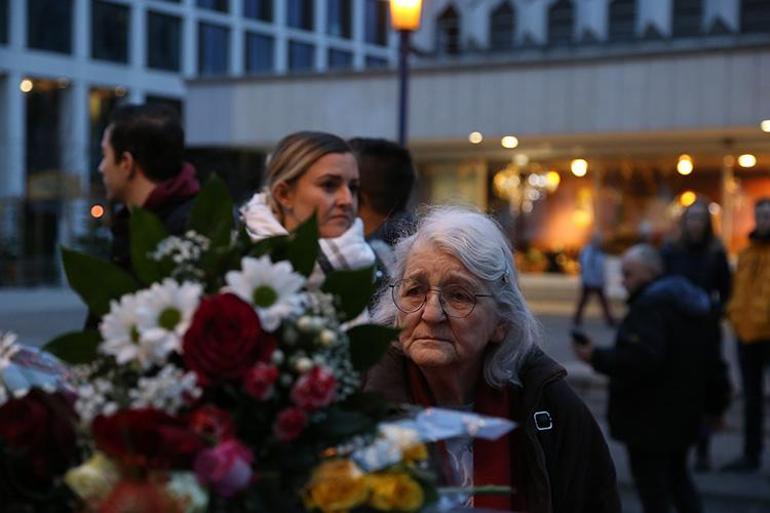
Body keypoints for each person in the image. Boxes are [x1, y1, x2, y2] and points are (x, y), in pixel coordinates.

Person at [365, 206, 620, 513]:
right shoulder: (358, 404)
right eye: (415, 291)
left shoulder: (550, 406)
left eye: (459, 295)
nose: (431, 314)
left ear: (502, 321)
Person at [574, 244, 730, 513]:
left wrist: (596, 357)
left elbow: (641, 358)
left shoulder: (650, 307)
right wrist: (715, 406)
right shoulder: (691, 305)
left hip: (649, 420)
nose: (623, 281)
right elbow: (713, 362)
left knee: (656, 492)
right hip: (681, 416)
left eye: (629, 274)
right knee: (678, 482)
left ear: (650, 273)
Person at [240, 131, 375, 287]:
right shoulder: (233, 264)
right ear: (284, 194)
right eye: (329, 185)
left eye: (353, 188)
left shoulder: (378, 265)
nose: (347, 200)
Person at [661, 200, 732, 472]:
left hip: (705, 332)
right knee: (676, 390)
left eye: (701, 218)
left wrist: (714, 310)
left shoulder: (716, 253)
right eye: (691, 218)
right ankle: (676, 448)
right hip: (676, 331)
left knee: (703, 392)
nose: (695, 223)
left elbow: (726, 291)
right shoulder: (671, 252)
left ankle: (702, 450)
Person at [99, 103, 200, 272]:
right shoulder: (130, 224)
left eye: (104, 155)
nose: (101, 168)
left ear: (126, 163)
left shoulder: (192, 228)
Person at [722, 197, 770, 473]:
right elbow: (738, 292)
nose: (764, 221)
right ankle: (751, 454)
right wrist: (734, 317)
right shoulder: (746, 254)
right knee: (751, 399)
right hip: (747, 335)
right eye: (761, 215)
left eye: (768, 216)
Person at [573, 233, 616, 327]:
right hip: (589, 280)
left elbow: (602, 267)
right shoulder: (587, 251)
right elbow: (585, 265)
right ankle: (577, 319)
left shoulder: (600, 252)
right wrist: (587, 277)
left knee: (603, 302)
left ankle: (609, 319)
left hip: (597, 281)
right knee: (585, 301)